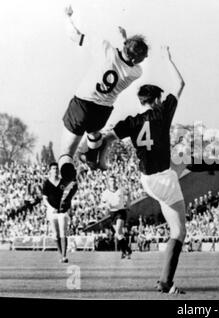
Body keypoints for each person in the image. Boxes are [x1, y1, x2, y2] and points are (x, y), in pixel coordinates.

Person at [102, 46, 185, 294]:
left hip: (147, 180)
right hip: (164, 178)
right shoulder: (162, 113)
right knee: (179, 232)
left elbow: (107, 138)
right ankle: (166, 282)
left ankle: (165, 282)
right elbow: (180, 83)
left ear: (141, 101)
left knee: (178, 166)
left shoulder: (131, 121)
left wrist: (101, 157)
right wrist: (169, 59)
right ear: (157, 100)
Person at [57, 5, 149, 213]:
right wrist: (125, 40)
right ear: (136, 59)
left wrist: (68, 17)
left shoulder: (104, 47)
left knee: (65, 154)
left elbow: (74, 35)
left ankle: (68, 177)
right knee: (93, 132)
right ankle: (91, 154)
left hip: (82, 103)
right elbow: (128, 59)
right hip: (103, 111)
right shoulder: (136, 72)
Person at [42, 163, 70, 263]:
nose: (55, 170)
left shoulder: (62, 182)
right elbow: (44, 199)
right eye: (53, 168)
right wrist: (50, 207)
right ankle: (60, 255)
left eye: (57, 169)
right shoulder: (46, 183)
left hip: (62, 211)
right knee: (55, 234)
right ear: (50, 170)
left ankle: (64, 255)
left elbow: (67, 194)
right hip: (51, 211)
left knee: (63, 232)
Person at [101, 176, 132, 259]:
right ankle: (125, 251)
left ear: (116, 182)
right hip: (112, 213)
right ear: (108, 182)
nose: (113, 182)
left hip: (121, 211)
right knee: (119, 234)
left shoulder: (121, 190)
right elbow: (103, 203)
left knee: (118, 231)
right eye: (111, 181)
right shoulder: (105, 193)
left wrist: (128, 204)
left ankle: (127, 250)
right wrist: (106, 206)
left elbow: (128, 194)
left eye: (114, 181)